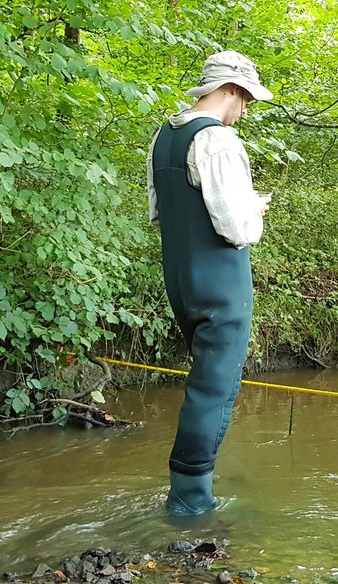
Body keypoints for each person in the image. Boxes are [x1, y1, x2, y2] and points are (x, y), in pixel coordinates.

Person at [146, 50, 274, 516]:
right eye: (247, 100)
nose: (246, 110)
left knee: (203, 383)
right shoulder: (218, 140)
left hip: (181, 280)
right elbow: (237, 229)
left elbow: (158, 212)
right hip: (222, 287)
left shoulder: (164, 136)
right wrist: (255, 208)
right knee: (214, 390)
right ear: (233, 90)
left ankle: (189, 494)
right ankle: (190, 503)